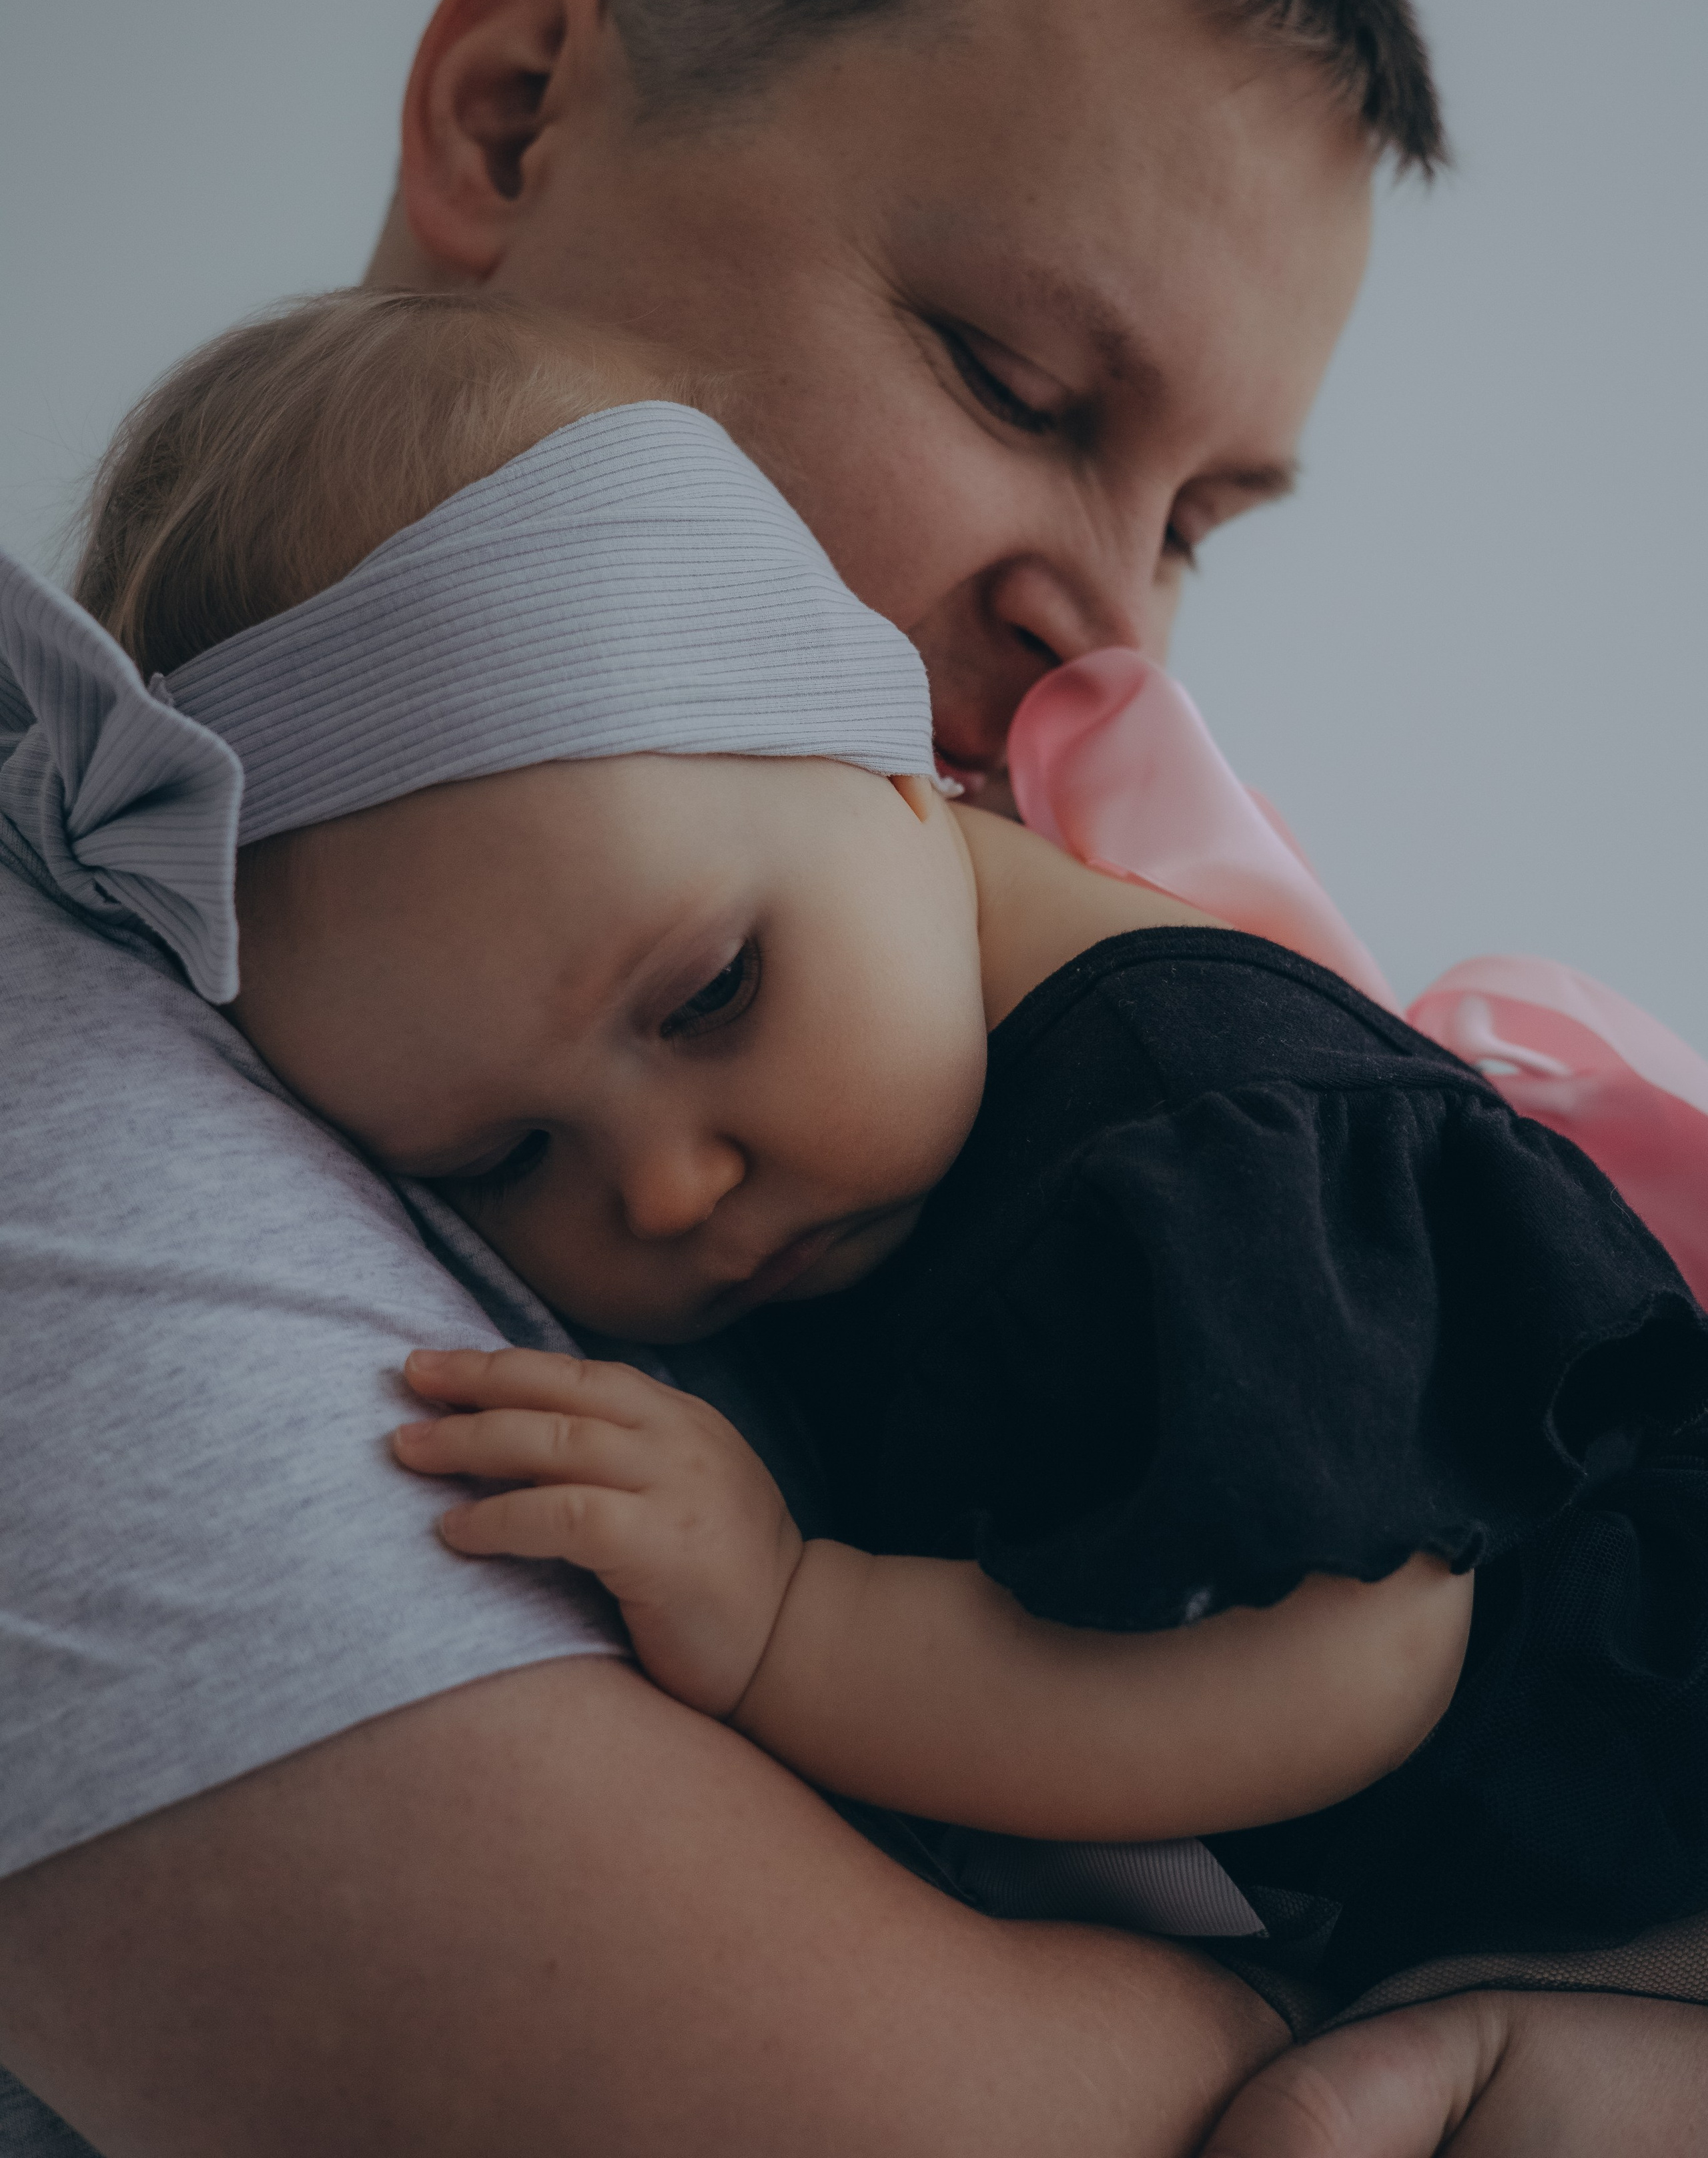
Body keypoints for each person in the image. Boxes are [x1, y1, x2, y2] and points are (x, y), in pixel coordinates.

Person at [2, 0, 1703, 2153]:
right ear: (509, 108)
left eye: (1195, 523)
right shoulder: (92, 1082)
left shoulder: (1132, 1088)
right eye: (1016, 386)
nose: (1108, 629)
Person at [80, 282, 1703, 2005]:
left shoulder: (1196, 1129)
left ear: (898, 763)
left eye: (711, 995)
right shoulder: (864, 1130)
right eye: (502, 1161)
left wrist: (796, 1625)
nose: (663, 1187)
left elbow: (1356, 1658)